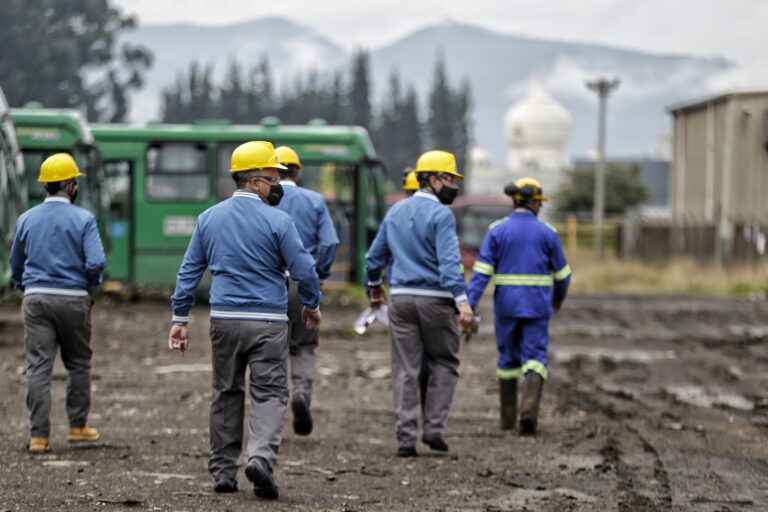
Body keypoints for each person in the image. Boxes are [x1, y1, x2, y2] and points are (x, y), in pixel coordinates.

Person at [168, 141, 322, 499]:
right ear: (254, 181)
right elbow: (304, 270)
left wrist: (180, 317)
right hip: (268, 321)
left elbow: (189, 271)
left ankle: (224, 472)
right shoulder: (279, 221)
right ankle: (260, 458)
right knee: (269, 393)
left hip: (224, 320)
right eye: (272, 177)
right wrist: (312, 304)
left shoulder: (209, 218)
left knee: (225, 391)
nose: (277, 185)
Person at [365, 150, 474, 457]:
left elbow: (374, 258)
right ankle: (435, 429)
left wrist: (375, 289)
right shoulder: (442, 215)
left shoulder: (396, 212)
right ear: (435, 179)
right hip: (436, 300)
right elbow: (450, 264)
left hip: (400, 299)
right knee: (444, 362)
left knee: (405, 368)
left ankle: (405, 437)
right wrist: (462, 302)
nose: (454, 186)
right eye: (451, 179)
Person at [10, 153, 105, 454]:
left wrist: (21, 283)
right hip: (73, 298)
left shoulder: (26, 218)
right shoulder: (84, 218)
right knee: (78, 364)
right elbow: (97, 261)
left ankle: (39, 437)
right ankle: (77, 428)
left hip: (35, 298)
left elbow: (16, 262)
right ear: (69, 185)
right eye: (75, 181)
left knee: (38, 368)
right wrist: (91, 281)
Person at [466, 177, 571, 435]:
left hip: (507, 306)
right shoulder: (548, 233)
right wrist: (558, 298)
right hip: (537, 306)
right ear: (535, 203)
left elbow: (480, 273)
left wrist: (469, 304)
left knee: (508, 359)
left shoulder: (497, 231)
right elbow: (563, 274)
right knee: (535, 358)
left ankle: (507, 417)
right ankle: (529, 410)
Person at [274, 145, 339, 436]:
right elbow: (331, 242)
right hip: (303, 285)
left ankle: (272, 412)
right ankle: (301, 392)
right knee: (303, 346)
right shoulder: (315, 201)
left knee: (271, 349)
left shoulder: (265, 199)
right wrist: (318, 275)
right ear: (298, 171)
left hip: (270, 286)